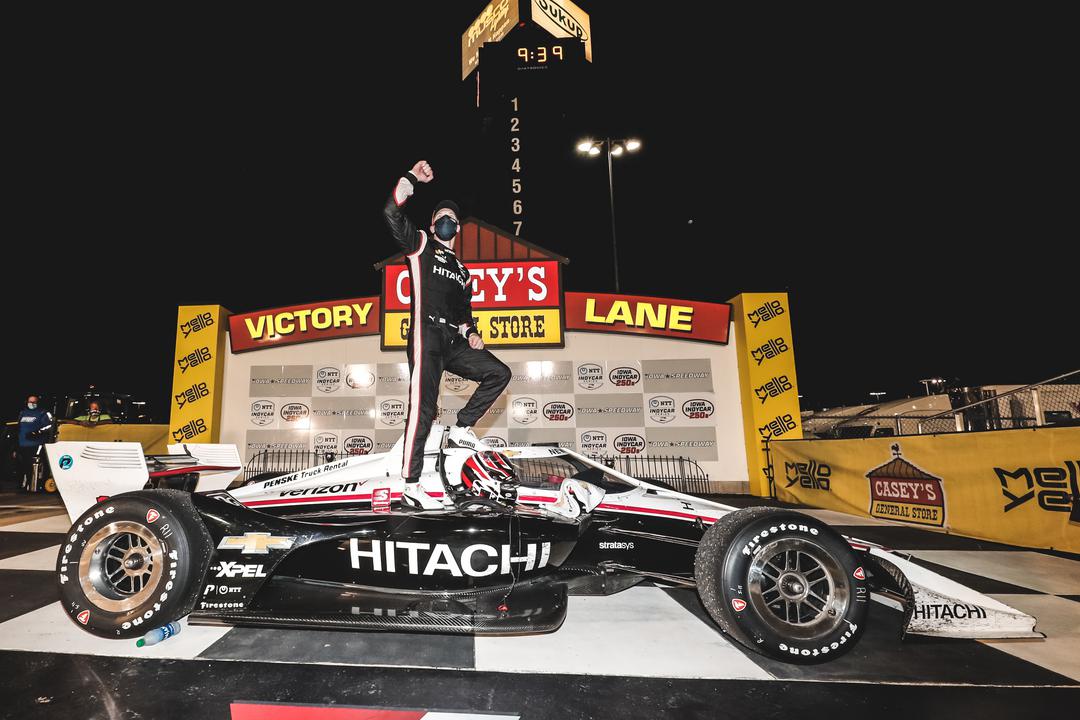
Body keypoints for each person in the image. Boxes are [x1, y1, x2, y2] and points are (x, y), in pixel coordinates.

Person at [383, 159, 512, 509]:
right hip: (425, 335)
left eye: (452, 220)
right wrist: (411, 178)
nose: (446, 222)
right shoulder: (421, 245)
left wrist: (471, 332)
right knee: (423, 411)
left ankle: (461, 429)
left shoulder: (463, 270)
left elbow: (462, 312)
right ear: (432, 223)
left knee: (498, 372)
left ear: (457, 229)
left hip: (451, 341)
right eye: (441, 217)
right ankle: (409, 484)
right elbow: (392, 212)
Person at [17, 395, 53, 492]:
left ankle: (36, 486)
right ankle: (23, 485)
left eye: (34, 402)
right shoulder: (23, 413)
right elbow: (19, 427)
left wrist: (37, 432)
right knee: (23, 464)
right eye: (30, 401)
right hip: (23, 444)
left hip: (37, 444)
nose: (31, 404)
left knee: (34, 464)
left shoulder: (43, 413)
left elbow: (50, 426)